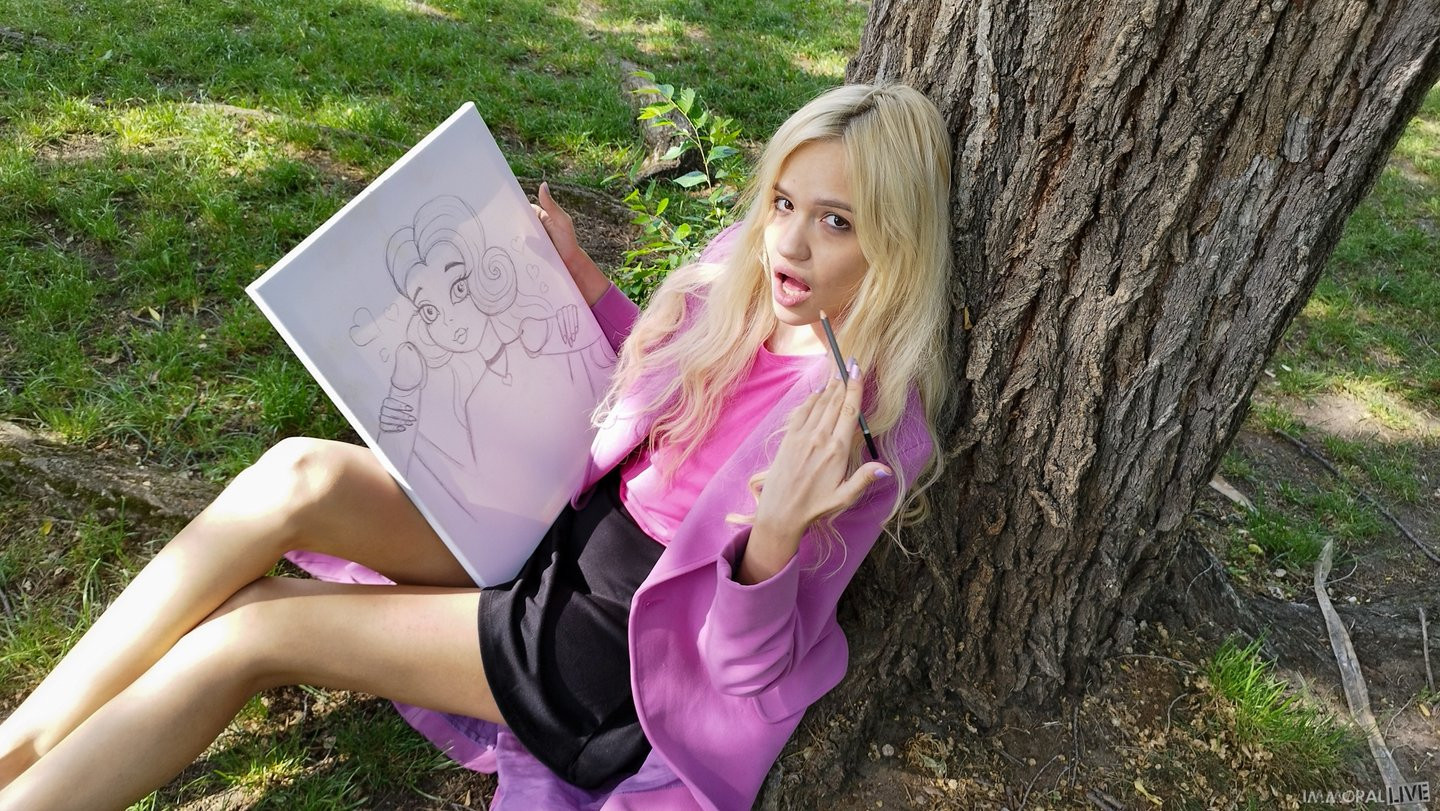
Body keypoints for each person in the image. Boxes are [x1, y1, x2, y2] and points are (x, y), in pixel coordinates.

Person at [0, 81, 953, 810]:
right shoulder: (747, 274)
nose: (789, 243)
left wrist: (773, 542)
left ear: (896, 241)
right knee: (297, 472)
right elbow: (679, 393)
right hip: (558, 530)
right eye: (783, 201)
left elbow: (745, 670)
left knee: (255, 630)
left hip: (608, 646)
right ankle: (19, 748)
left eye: (836, 222)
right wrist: (586, 283)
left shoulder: (859, 423)